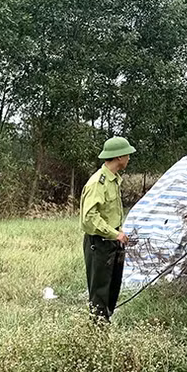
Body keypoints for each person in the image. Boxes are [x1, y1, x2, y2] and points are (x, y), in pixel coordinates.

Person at [80, 136, 135, 322]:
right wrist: (114, 234)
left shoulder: (114, 180)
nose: (129, 158)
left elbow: (108, 213)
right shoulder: (98, 182)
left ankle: (104, 325)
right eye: (127, 154)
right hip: (99, 243)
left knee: (112, 288)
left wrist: (119, 232)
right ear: (119, 157)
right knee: (100, 292)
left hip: (113, 240)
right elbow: (89, 218)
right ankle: (98, 330)